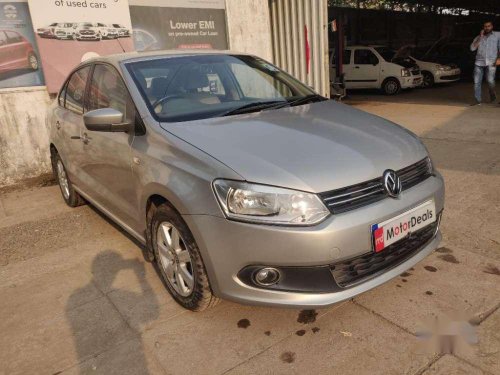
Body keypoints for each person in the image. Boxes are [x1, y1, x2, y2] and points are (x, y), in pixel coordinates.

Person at [470, 21, 500, 106]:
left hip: (491, 62)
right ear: (483, 28)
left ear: (492, 26)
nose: (487, 28)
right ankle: (477, 100)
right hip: (479, 63)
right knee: (477, 82)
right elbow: (472, 48)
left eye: (489, 26)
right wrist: (480, 37)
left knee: (490, 81)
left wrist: (499, 58)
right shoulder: (478, 37)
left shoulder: (497, 35)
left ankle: (492, 95)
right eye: (485, 26)